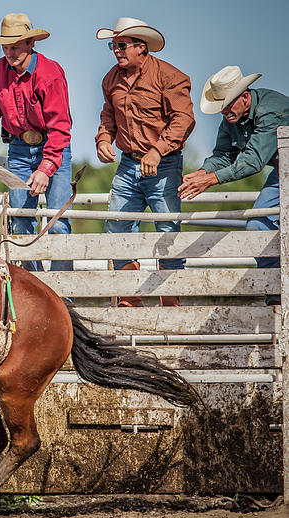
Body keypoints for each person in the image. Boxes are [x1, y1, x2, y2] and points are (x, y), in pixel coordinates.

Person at [95, 17, 196, 307]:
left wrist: (158, 150)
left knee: (167, 230)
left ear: (142, 47)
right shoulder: (111, 79)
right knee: (117, 226)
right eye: (113, 45)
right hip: (128, 164)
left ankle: (170, 300)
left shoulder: (169, 76)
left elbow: (184, 119)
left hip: (163, 165)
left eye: (122, 45)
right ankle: (130, 298)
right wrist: (103, 138)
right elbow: (108, 115)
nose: (117, 50)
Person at [0, 12, 74, 272]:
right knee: (19, 219)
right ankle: (33, 287)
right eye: (5, 46)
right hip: (18, 148)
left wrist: (46, 167)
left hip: (53, 148)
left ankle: (65, 292)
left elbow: (60, 127)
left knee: (58, 221)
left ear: (31, 43)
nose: (9, 52)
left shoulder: (50, 74)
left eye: (15, 46)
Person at [179, 66, 289, 304]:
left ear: (245, 96)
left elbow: (253, 161)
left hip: (283, 171)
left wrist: (210, 179)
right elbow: (223, 154)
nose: (225, 111)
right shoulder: (232, 119)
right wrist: (201, 173)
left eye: (228, 104)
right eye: (222, 106)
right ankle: (276, 296)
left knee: (262, 222)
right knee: (258, 225)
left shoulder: (272, 111)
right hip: (284, 171)